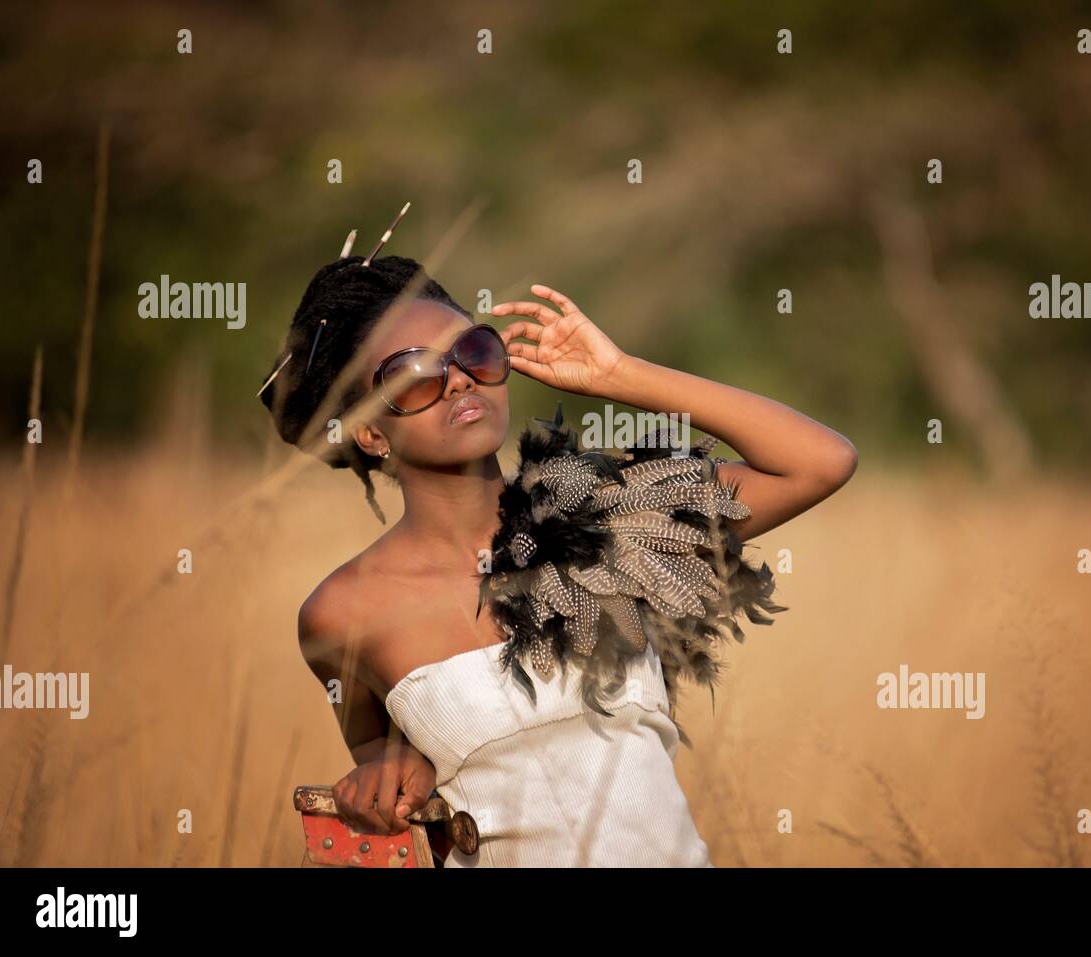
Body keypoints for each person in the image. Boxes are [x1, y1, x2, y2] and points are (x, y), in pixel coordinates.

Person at [259, 248, 856, 866]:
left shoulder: (607, 519)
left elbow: (819, 462)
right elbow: (377, 752)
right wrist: (385, 772)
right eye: (415, 374)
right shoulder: (340, 615)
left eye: (474, 351)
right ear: (371, 432)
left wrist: (621, 375)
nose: (459, 379)